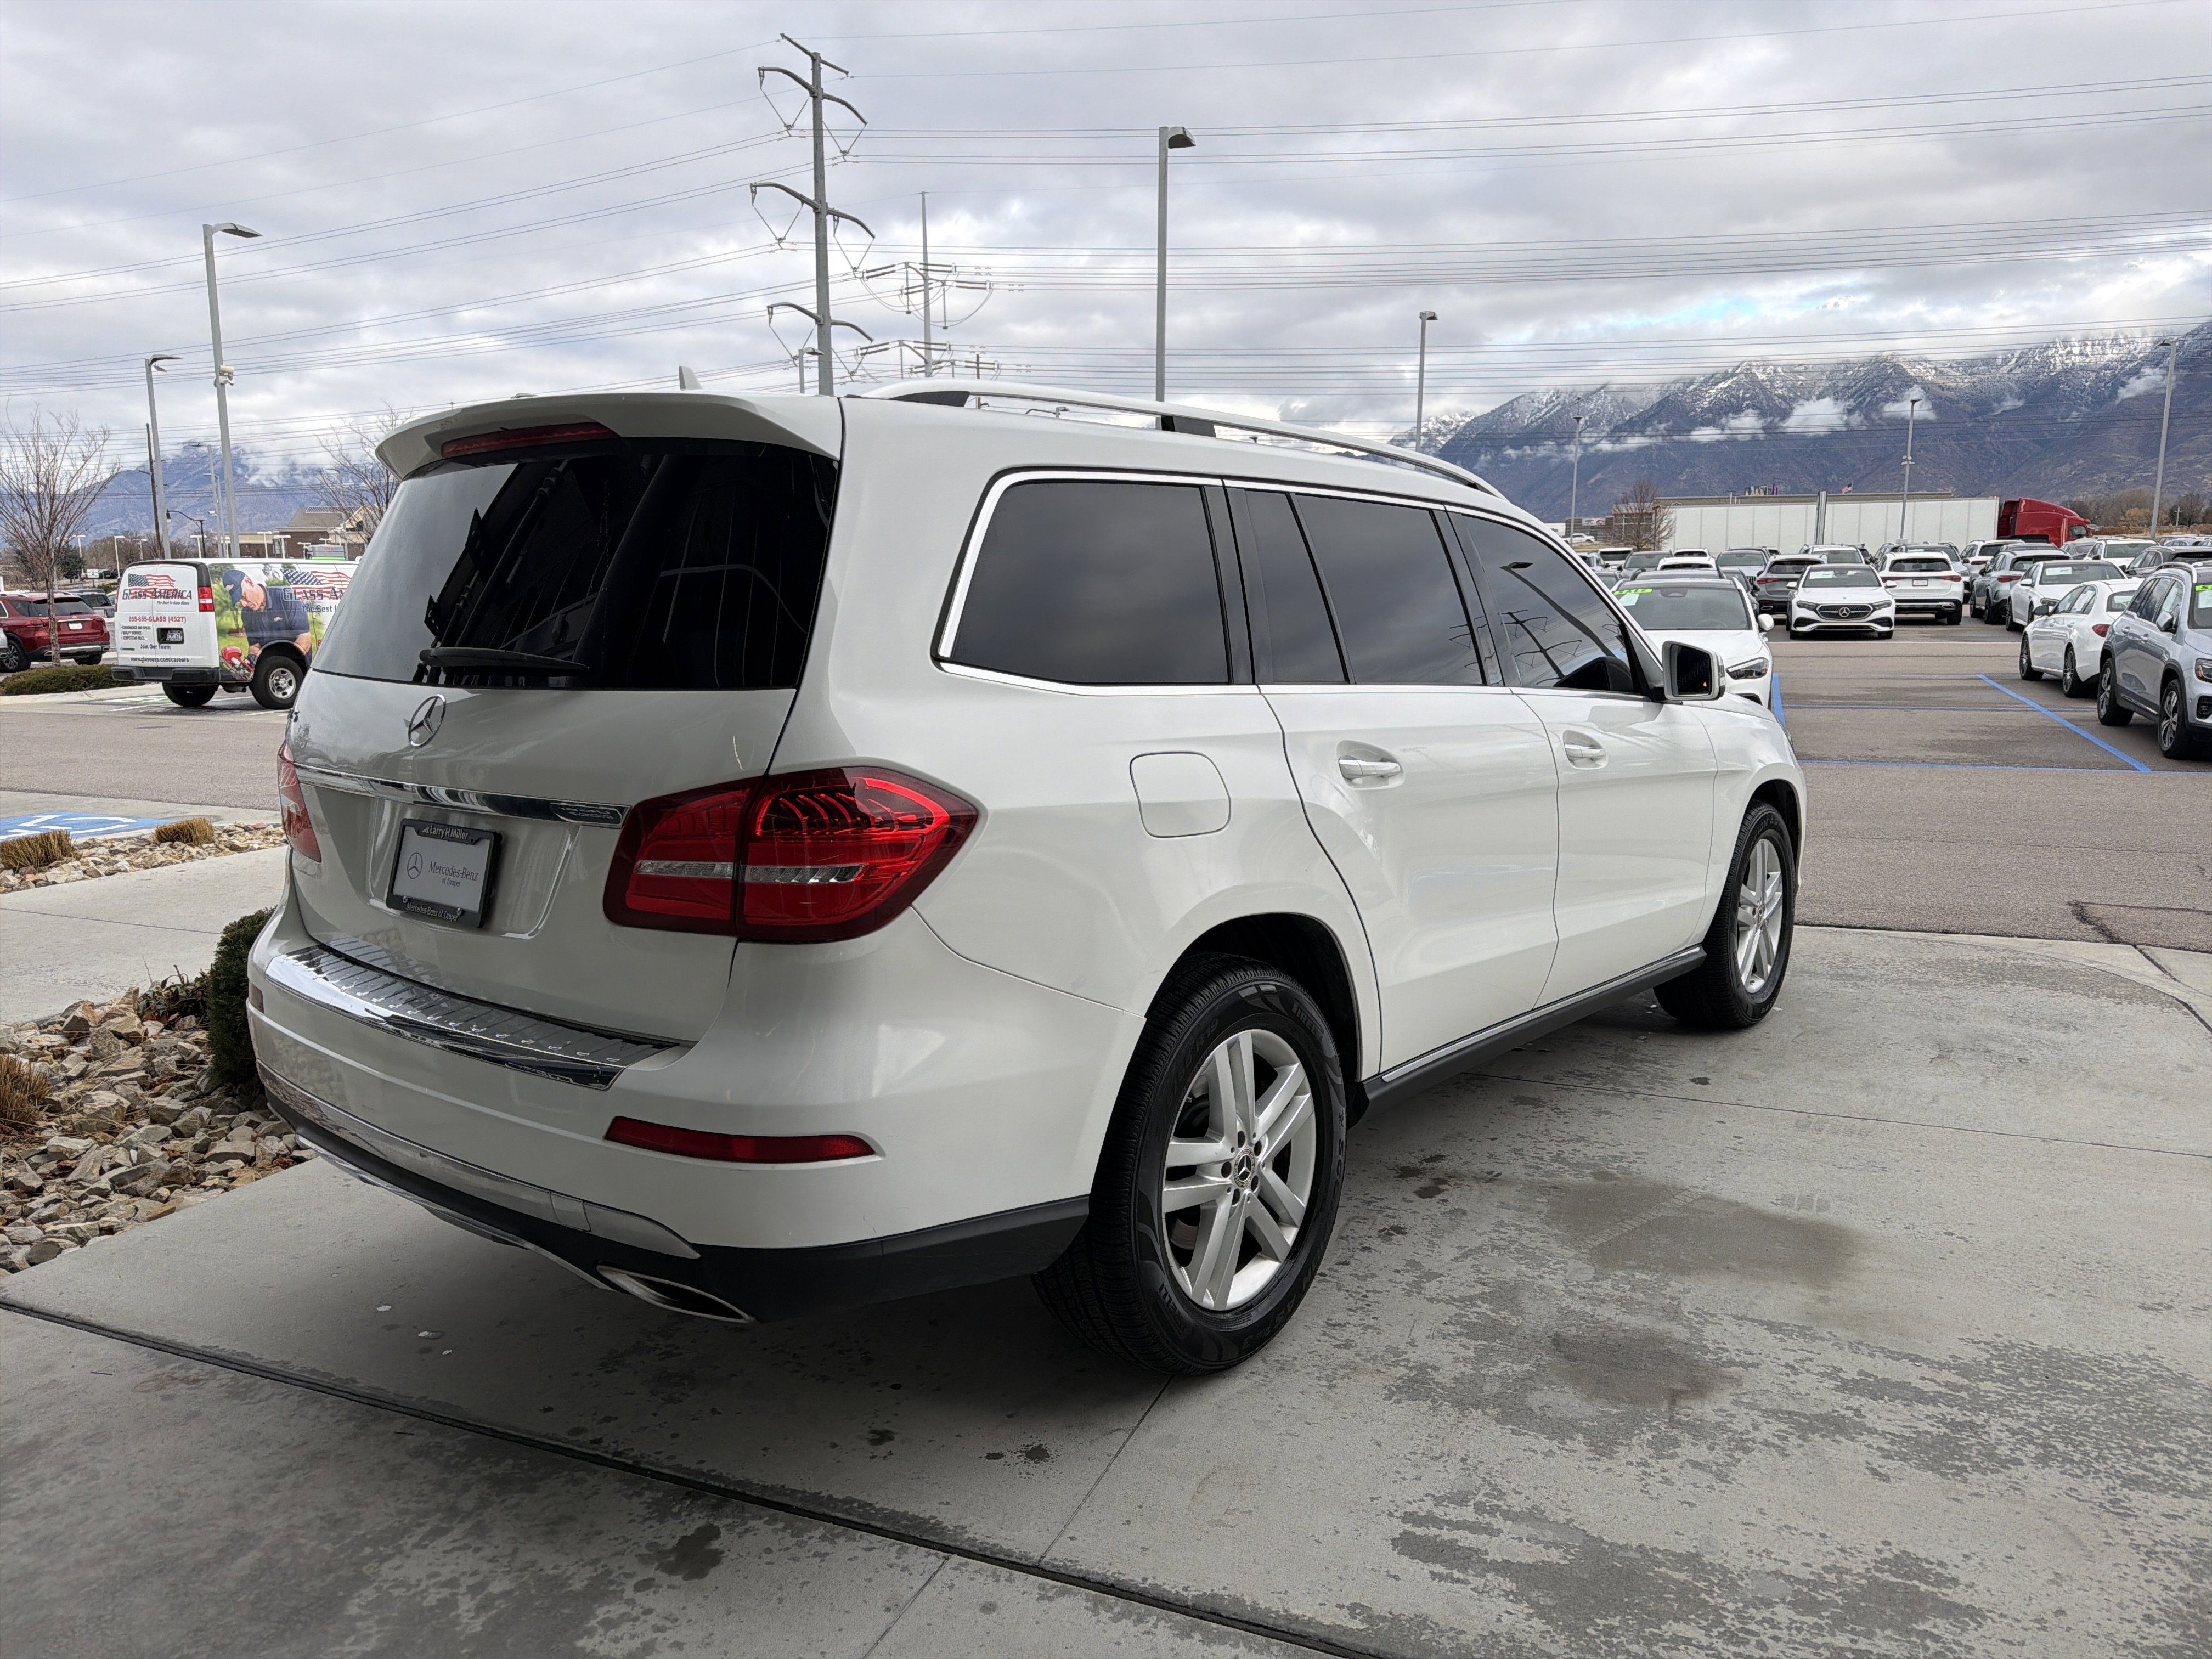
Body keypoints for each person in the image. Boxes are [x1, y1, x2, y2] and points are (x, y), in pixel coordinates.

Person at [218, 567, 312, 670]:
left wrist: (283, 664)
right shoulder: (246, 614)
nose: (244, 604)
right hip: (269, 670)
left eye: (243, 596)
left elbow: (304, 637)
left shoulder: (285, 597)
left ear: (249, 582)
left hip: (296, 667)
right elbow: (255, 646)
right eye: (240, 601)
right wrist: (250, 663)